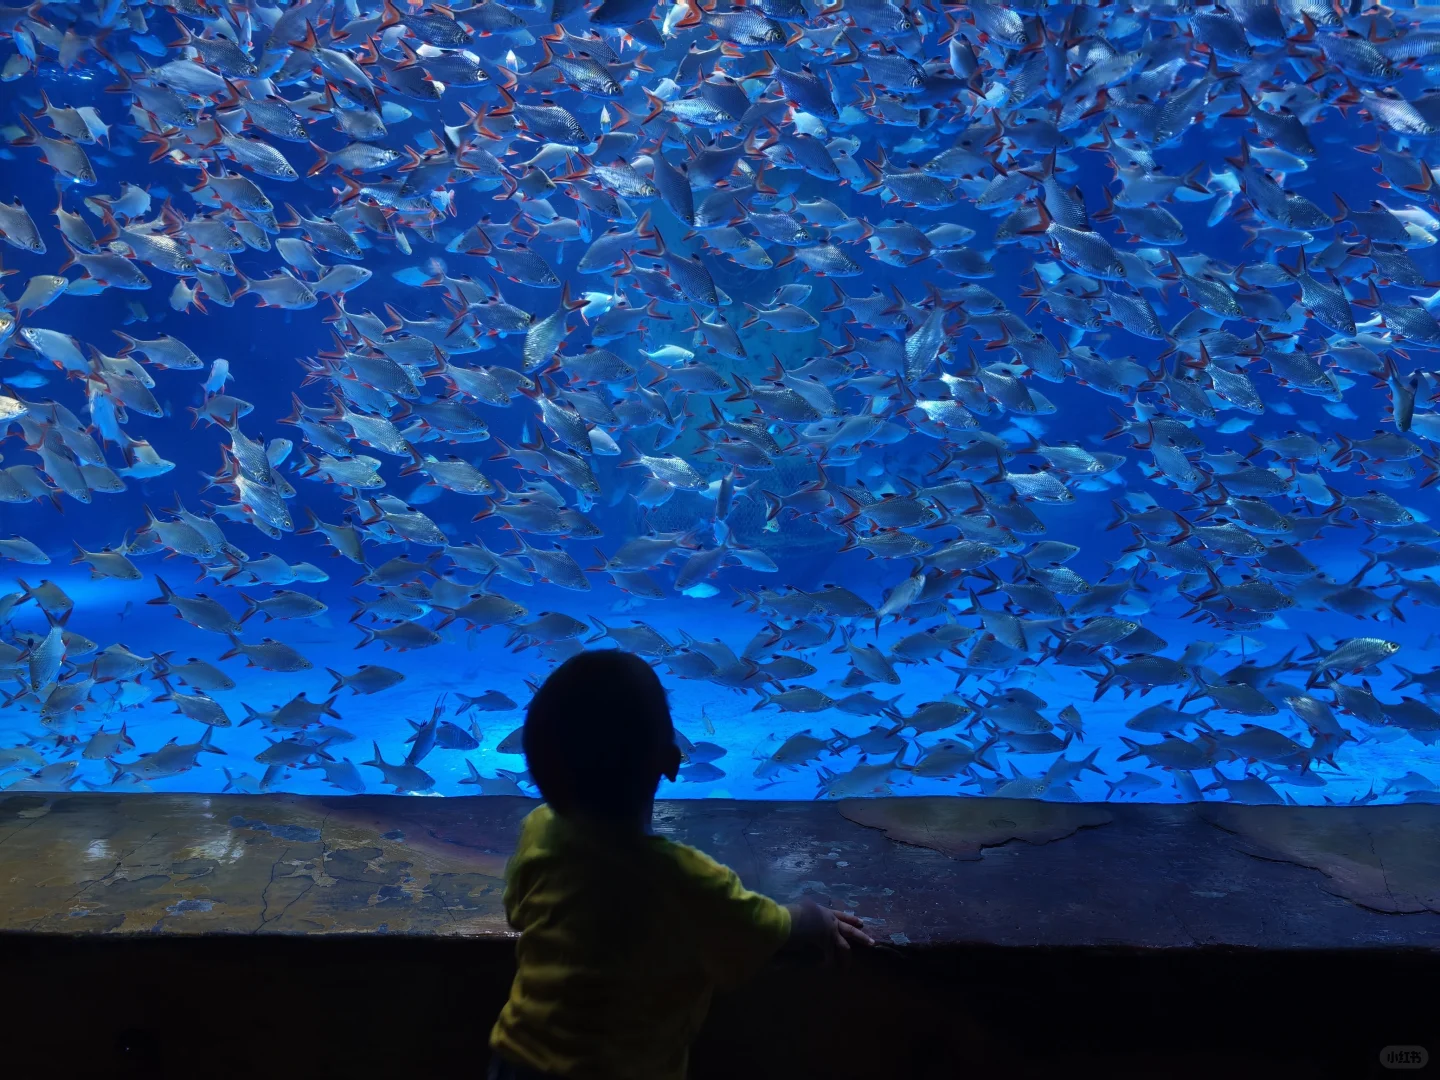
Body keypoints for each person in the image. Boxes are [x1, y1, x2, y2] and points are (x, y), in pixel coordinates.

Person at [488, 649, 873, 1080]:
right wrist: (815, 919)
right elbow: (764, 929)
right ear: (671, 763)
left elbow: (518, 910)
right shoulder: (685, 879)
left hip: (518, 1059)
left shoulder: (539, 829)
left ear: (538, 772)